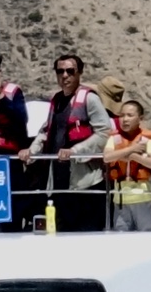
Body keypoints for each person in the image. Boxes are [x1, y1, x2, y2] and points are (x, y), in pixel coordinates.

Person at [33, 51, 104, 232]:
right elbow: (47, 130)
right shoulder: (56, 100)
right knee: (59, 232)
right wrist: (31, 151)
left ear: (79, 73)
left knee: (86, 234)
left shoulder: (90, 99)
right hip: (58, 181)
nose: (65, 75)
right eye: (60, 71)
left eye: (70, 71)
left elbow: (104, 132)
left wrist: (75, 151)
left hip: (85, 182)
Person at [99, 88, 151, 231]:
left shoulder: (146, 141)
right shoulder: (114, 139)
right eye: (122, 115)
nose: (125, 119)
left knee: (146, 237)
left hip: (143, 199)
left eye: (130, 115)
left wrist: (134, 157)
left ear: (140, 118)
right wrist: (131, 149)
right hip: (120, 201)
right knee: (121, 237)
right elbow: (107, 157)